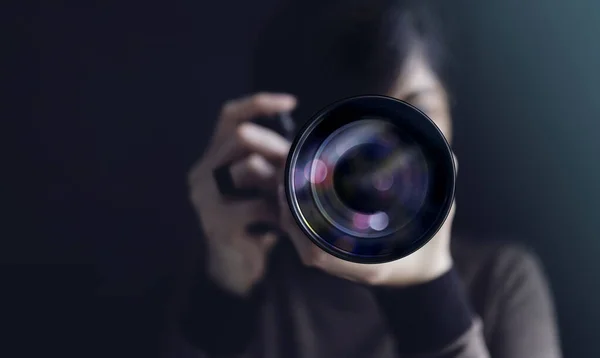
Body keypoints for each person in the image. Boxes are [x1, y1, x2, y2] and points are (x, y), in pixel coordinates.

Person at [177, 0, 562, 357]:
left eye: (415, 114)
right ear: (290, 138)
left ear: (450, 112)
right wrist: (225, 286)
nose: (385, 157)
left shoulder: (500, 281)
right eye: (353, 131)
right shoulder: (246, 275)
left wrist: (430, 295)